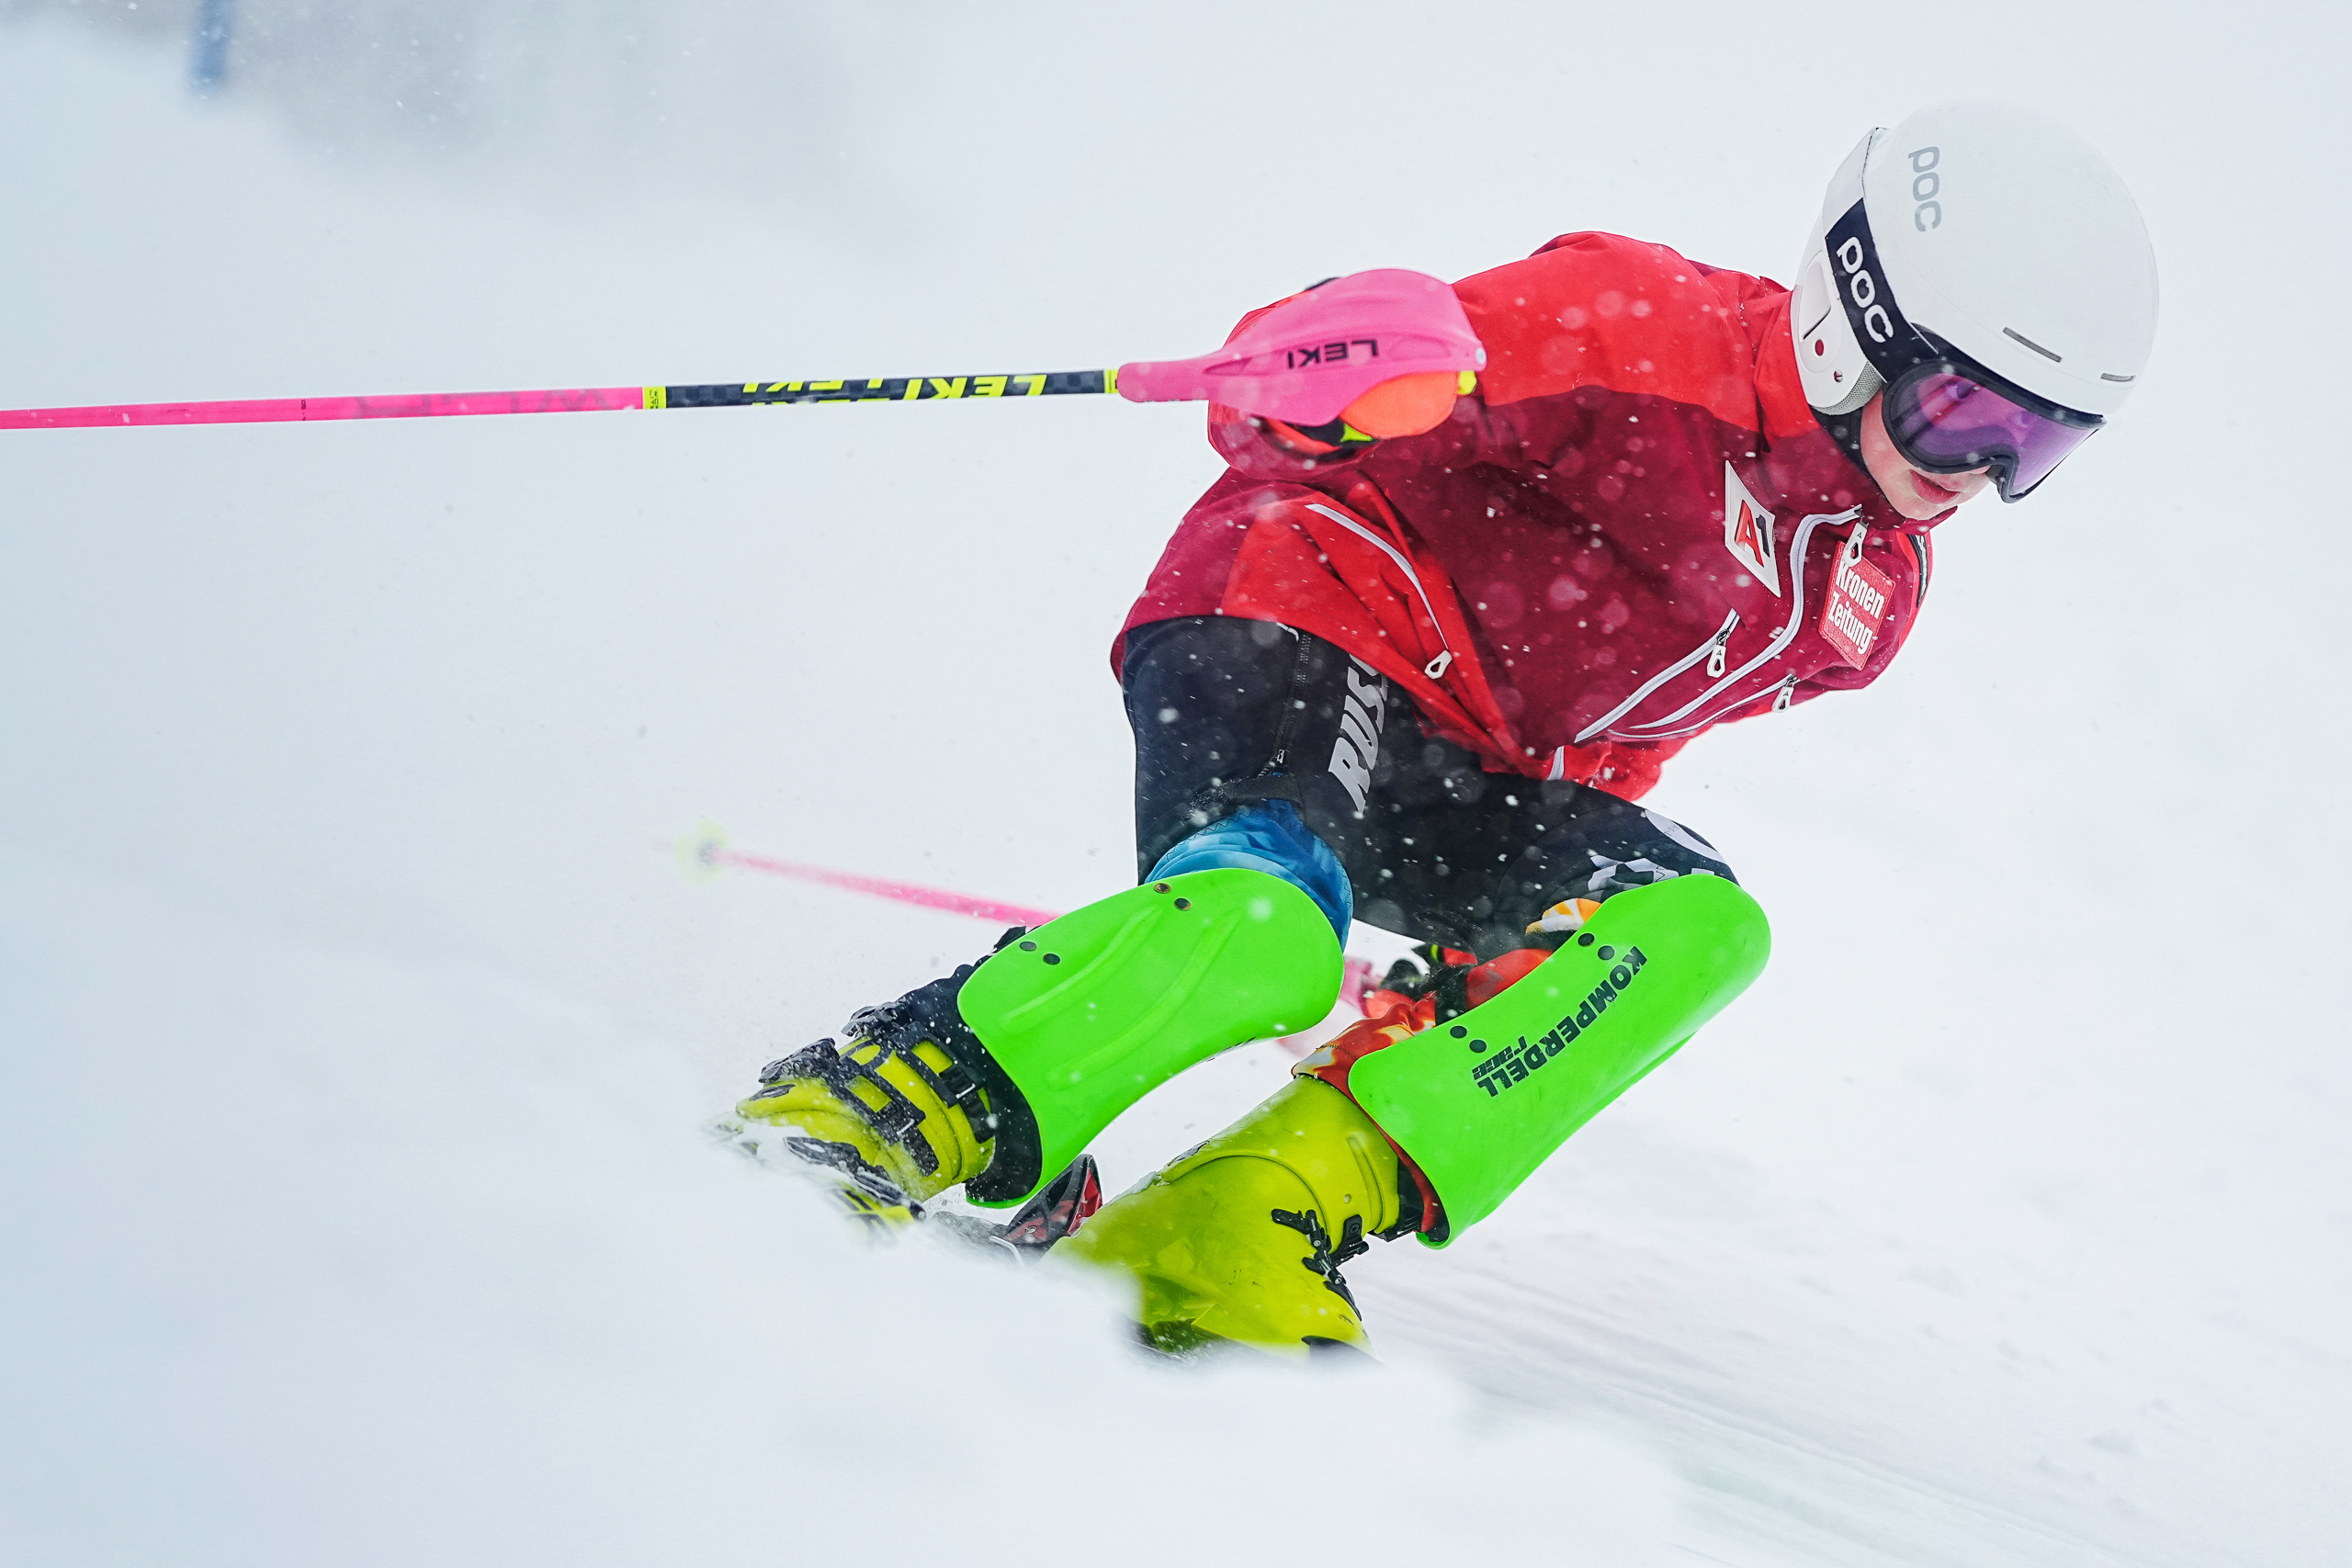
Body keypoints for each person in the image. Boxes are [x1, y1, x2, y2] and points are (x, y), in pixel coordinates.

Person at [729, 100, 2159, 1356]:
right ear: (1855, 321)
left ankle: (1237, 1215)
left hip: (1468, 772)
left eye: (2033, 447)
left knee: (1696, 929)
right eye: (1962, 411)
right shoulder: (1642, 331)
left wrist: (1506, 958)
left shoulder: (1862, 599)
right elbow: (1305, 399)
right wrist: (1326, 369)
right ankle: (892, 1097)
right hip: (1308, 611)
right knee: (1271, 931)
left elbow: (1620, 735)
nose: (1978, 473)